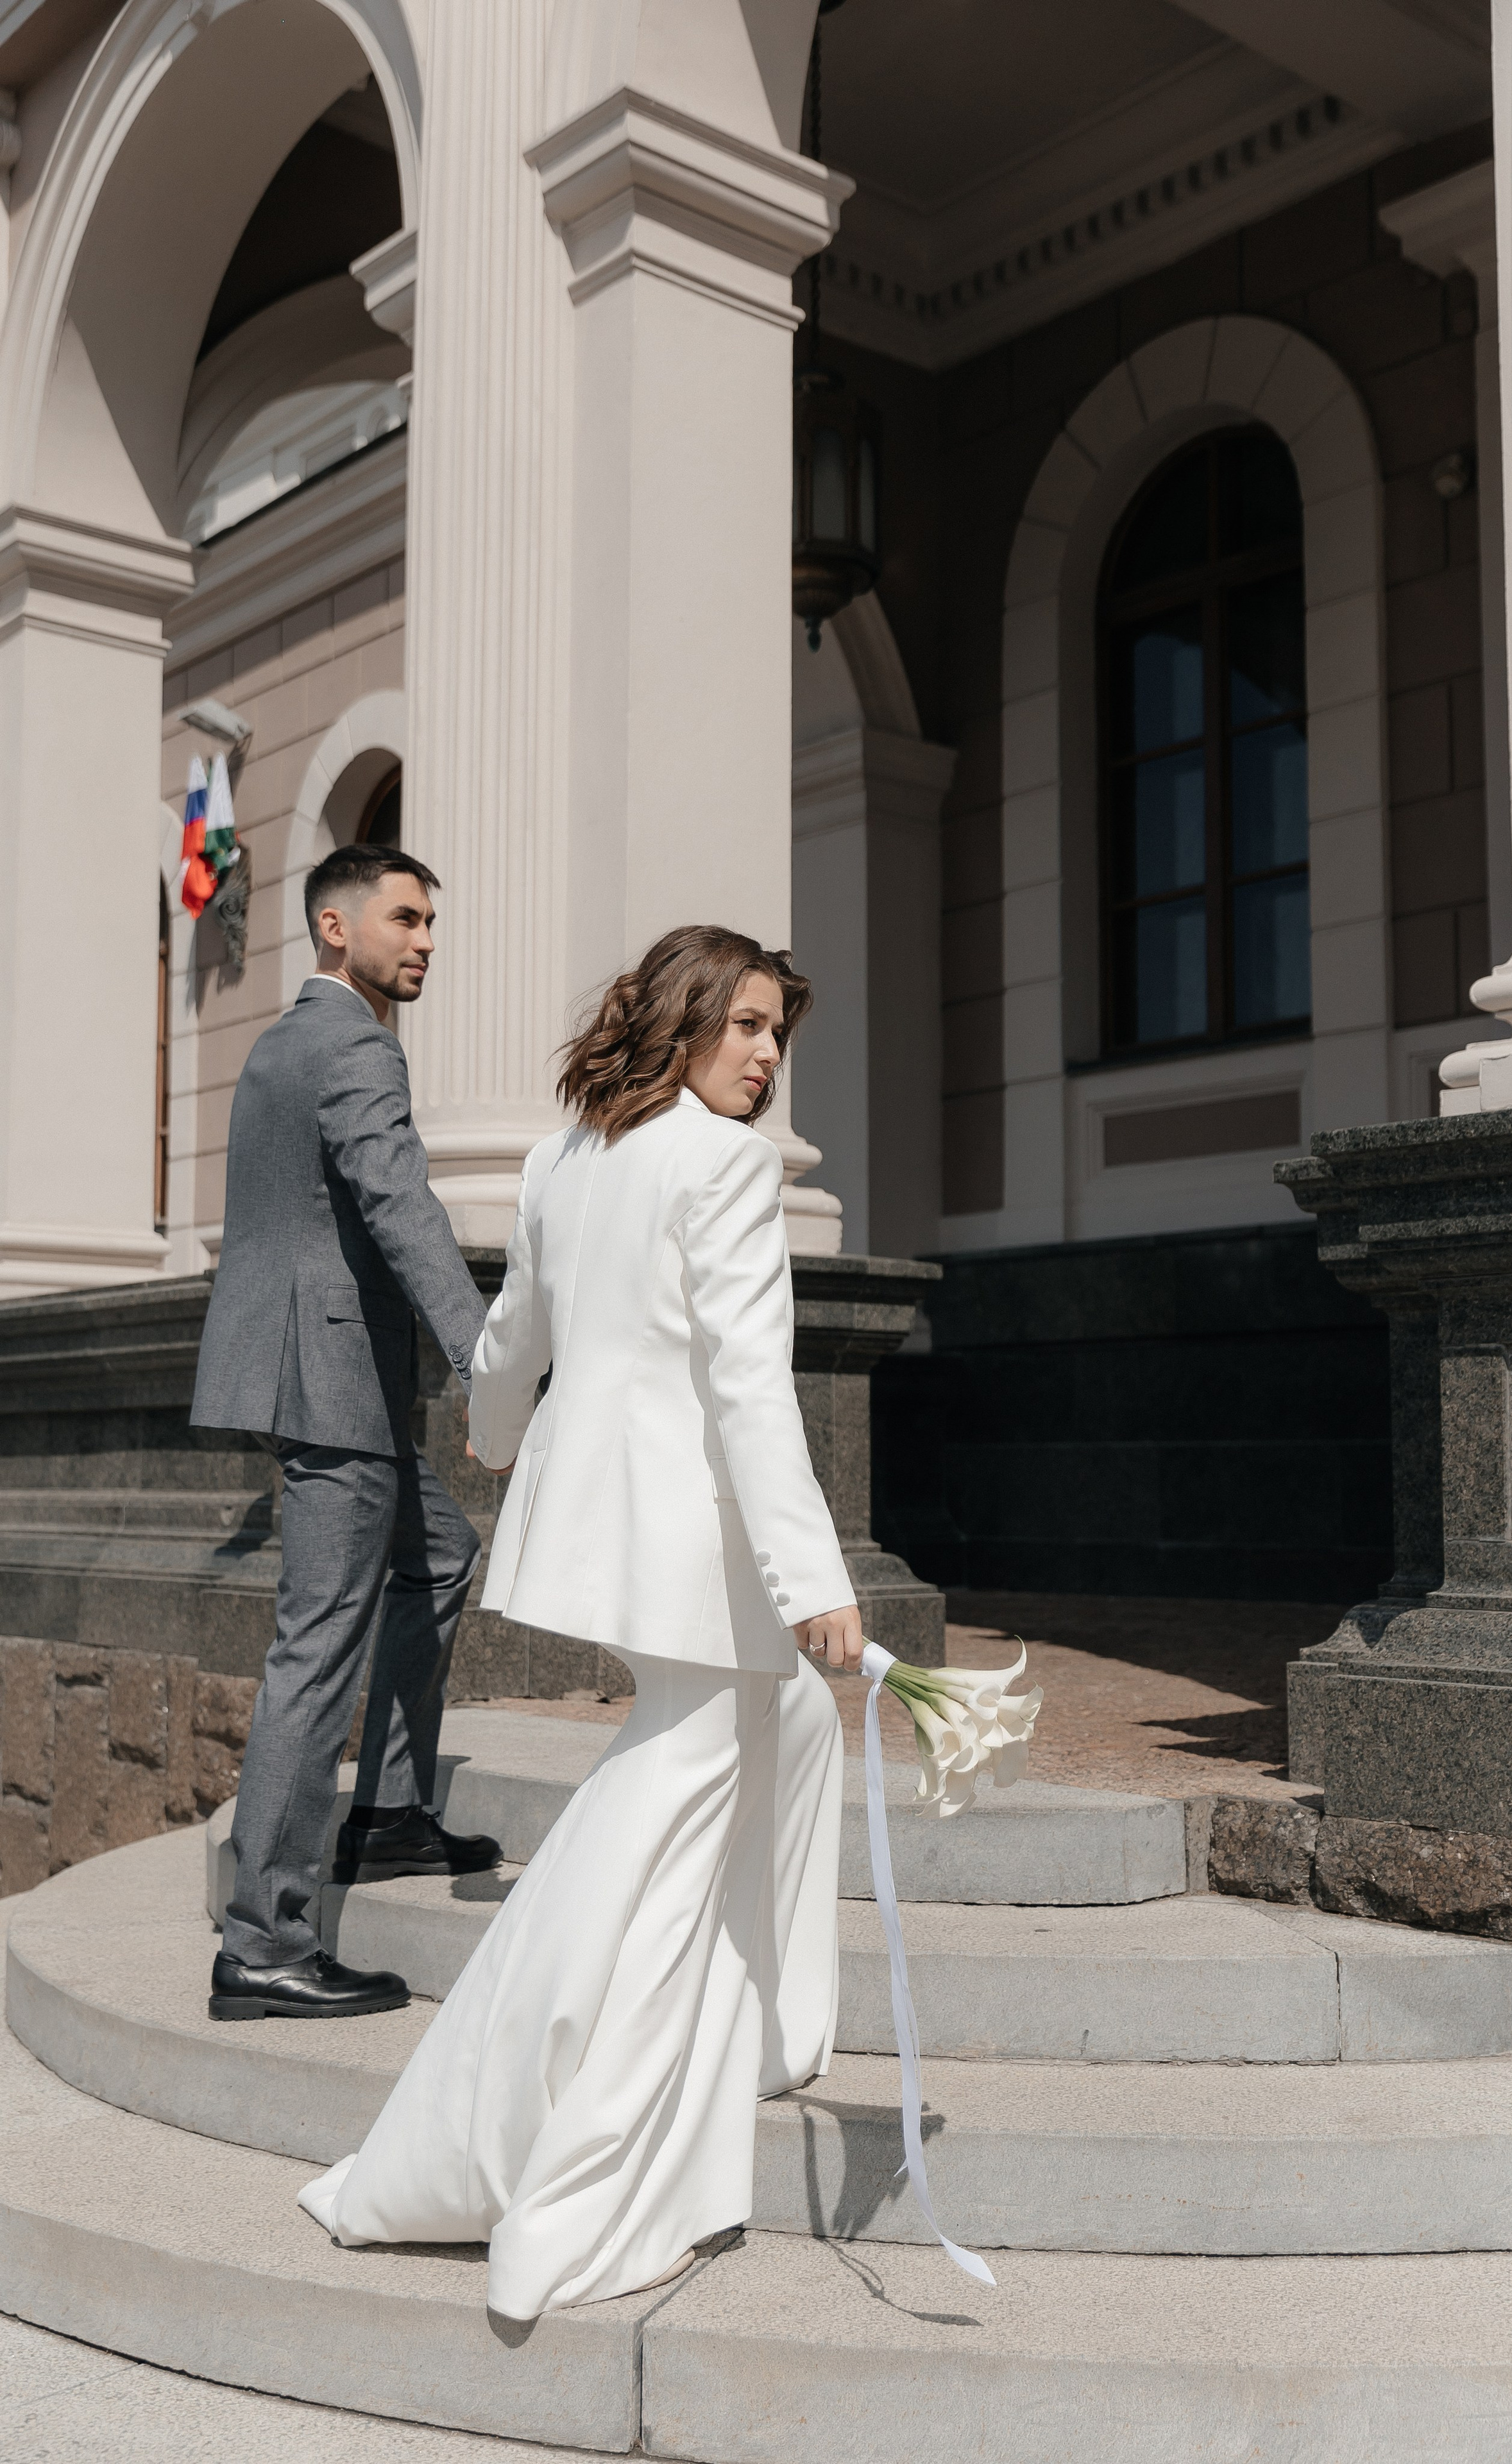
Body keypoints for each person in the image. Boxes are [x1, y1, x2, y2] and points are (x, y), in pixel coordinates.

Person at [298, 924, 862, 2316]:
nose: (766, 1052)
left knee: (785, 1739)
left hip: (616, 1545)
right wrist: (817, 1581)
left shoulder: (566, 1158)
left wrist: (490, 1433)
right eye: (741, 1025)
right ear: (677, 1023)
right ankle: (589, 2206)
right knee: (662, 1843)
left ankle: (771, 2031)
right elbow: (746, 1390)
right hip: (695, 1557)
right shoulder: (721, 1166)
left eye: (777, 1031)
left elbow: (513, 1340)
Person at [192, 843, 500, 2024]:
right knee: (317, 1651)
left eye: (433, 922)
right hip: (336, 1382)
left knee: (439, 1555)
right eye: (406, 918)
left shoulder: (280, 1042)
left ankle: (389, 1811)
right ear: (336, 928)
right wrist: (484, 1358)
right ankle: (264, 1940)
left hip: (301, 1372)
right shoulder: (360, 1046)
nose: (425, 940)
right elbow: (399, 1203)